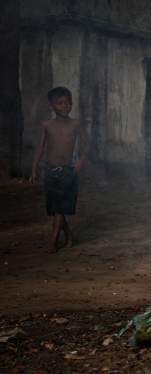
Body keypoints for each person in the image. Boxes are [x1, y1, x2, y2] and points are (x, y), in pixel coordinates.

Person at [30, 87, 91, 253]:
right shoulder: (47, 125)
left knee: (59, 207)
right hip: (50, 170)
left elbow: (87, 143)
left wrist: (81, 160)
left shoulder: (75, 124)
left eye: (68, 103)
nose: (65, 106)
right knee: (56, 207)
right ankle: (69, 234)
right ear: (52, 106)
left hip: (68, 171)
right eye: (60, 103)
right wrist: (34, 168)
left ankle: (53, 240)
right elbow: (40, 147)